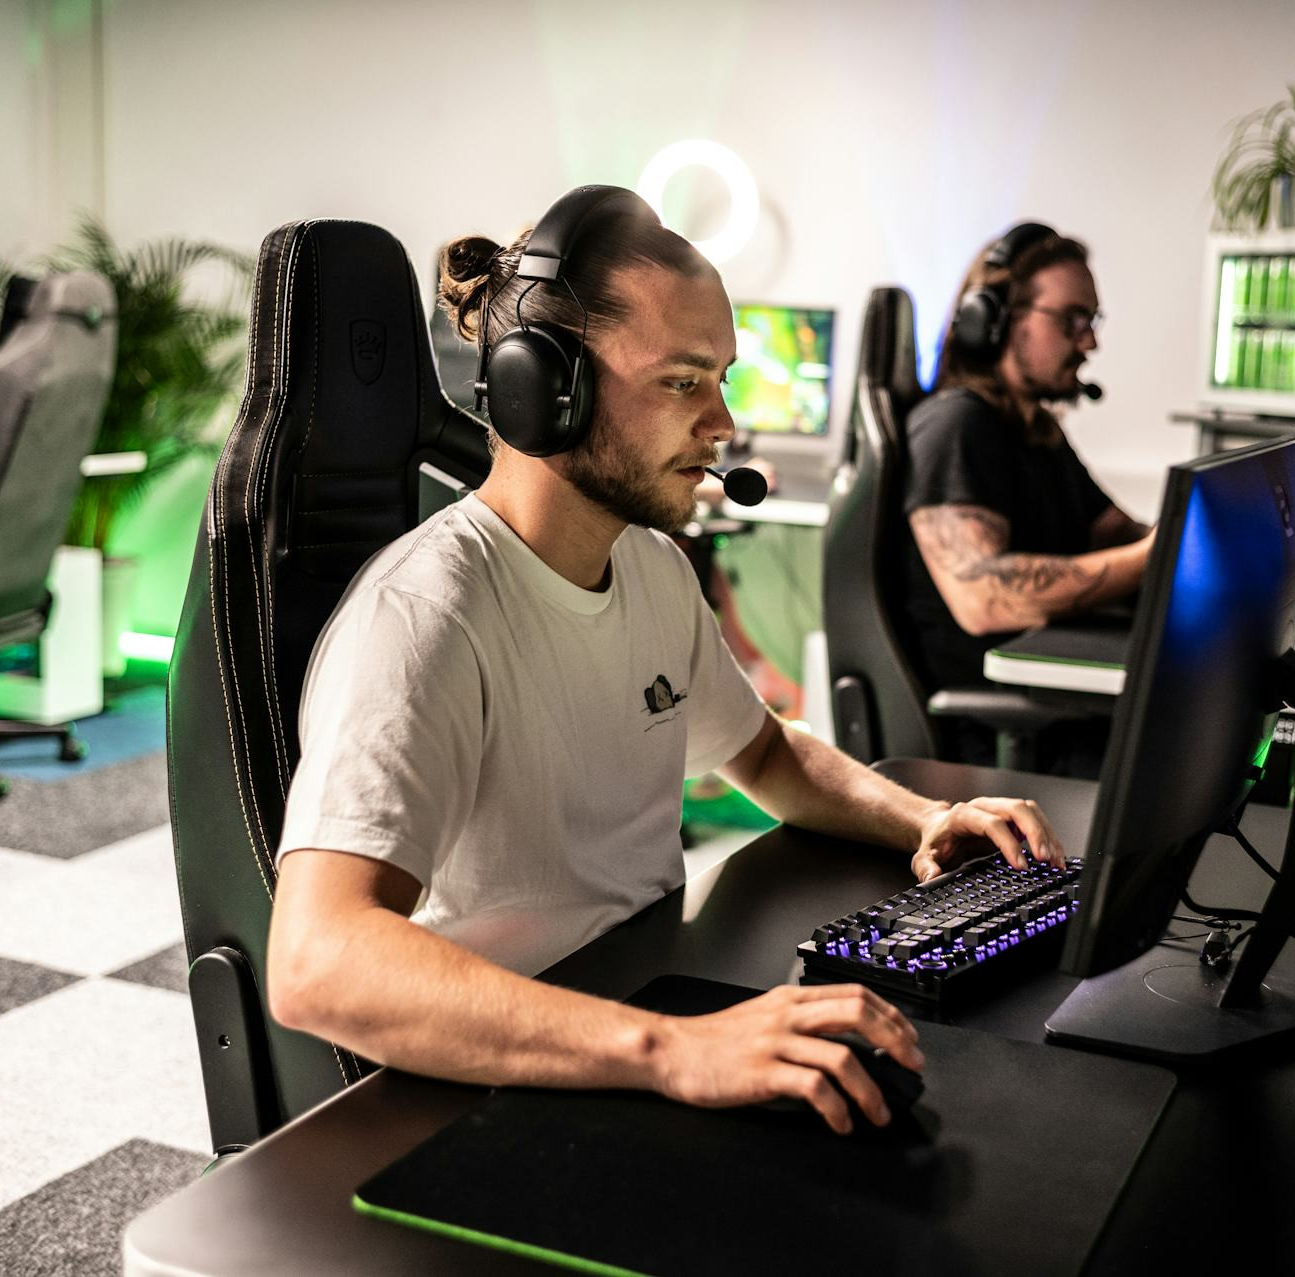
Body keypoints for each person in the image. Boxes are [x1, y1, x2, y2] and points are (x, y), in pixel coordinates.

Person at [267, 188, 1066, 1135]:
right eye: (684, 382)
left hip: (637, 1004)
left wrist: (925, 819)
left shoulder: (649, 567)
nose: (722, 421)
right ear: (543, 392)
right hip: (505, 1083)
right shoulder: (426, 615)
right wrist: (672, 1050)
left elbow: (764, 753)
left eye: (721, 379)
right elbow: (318, 960)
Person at [899, 223, 1154, 766]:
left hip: (1054, 706)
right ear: (993, 320)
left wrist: (1201, 537)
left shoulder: (1036, 430)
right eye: (1072, 320)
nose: (1089, 342)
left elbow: (1113, 531)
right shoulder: (956, 426)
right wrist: (1157, 555)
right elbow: (983, 598)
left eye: (1092, 322)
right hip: (1000, 735)